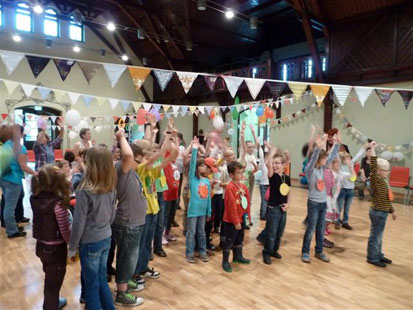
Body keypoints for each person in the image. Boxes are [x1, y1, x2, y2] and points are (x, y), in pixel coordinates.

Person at [68, 146, 117, 310]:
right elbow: (112, 215)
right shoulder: (111, 186)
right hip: (106, 237)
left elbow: (78, 222)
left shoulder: (84, 189)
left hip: (90, 241)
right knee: (101, 280)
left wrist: (72, 247)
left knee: (91, 285)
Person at [111, 130, 147, 306]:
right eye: (137, 160)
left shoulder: (132, 172)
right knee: (127, 257)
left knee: (129, 256)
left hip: (134, 223)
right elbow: (127, 155)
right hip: (128, 224)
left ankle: (124, 280)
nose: (139, 163)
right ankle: (121, 293)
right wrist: (121, 137)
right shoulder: (122, 169)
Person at [31, 164, 71, 310]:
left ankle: (53, 301)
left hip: (41, 246)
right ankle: (51, 305)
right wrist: (72, 245)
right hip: (56, 249)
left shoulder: (34, 198)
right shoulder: (58, 204)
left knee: (50, 277)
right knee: (53, 285)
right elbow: (65, 229)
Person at [301, 133, 340, 264]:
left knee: (320, 228)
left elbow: (332, 157)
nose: (326, 161)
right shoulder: (310, 170)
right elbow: (312, 161)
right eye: (323, 159)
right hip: (313, 204)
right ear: (318, 158)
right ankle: (305, 252)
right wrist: (317, 148)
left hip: (323, 203)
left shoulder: (323, 168)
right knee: (311, 228)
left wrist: (337, 144)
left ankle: (319, 251)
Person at [0, 125, 37, 238]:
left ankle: (12, 225)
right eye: (23, 132)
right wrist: (37, 173)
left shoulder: (6, 145)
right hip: (13, 179)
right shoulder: (21, 148)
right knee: (10, 206)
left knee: (8, 203)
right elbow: (24, 166)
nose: (24, 134)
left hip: (4, 178)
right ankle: (12, 231)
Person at [367, 142, 396, 267]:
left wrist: (392, 210)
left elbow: (387, 198)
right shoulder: (376, 180)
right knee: (375, 235)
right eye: (385, 171)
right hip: (377, 212)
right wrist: (372, 149)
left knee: (379, 235)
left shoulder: (384, 182)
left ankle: (378, 255)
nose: (387, 173)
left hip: (383, 211)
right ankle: (372, 257)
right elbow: (373, 166)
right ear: (378, 171)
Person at [262, 147, 291, 265]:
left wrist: (288, 204)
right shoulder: (272, 176)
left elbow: (289, 191)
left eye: (277, 163)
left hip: (282, 208)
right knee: (271, 233)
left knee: (279, 232)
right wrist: (272, 153)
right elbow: (268, 164)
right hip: (273, 209)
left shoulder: (286, 178)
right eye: (274, 163)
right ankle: (266, 252)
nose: (275, 165)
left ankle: (274, 250)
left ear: (283, 165)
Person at [186, 137, 212, 263]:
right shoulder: (193, 179)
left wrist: (209, 211)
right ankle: (189, 252)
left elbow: (208, 199)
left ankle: (202, 251)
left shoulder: (207, 181)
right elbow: (191, 165)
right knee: (191, 232)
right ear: (197, 168)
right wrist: (194, 149)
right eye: (201, 165)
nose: (204, 168)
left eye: (205, 166)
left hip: (203, 211)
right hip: (193, 211)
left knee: (201, 232)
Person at [221, 161, 251, 272]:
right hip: (231, 221)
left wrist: (247, 217)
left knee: (239, 239)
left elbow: (247, 202)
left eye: (241, 172)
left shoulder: (242, 186)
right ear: (231, 175)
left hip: (241, 218)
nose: (241, 175)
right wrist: (236, 221)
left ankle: (237, 257)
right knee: (229, 241)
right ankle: (225, 261)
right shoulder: (230, 187)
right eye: (238, 173)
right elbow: (231, 206)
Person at [336, 145, 366, 230]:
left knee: (347, 207)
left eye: (349, 158)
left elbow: (358, 156)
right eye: (346, 158)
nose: (349, 160)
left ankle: (345, 222)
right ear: (342, 160)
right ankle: (337, 221)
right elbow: (336, 156)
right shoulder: (340, 166)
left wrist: (363, 148)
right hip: (342, 189)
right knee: (340, 206)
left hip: (350, 190)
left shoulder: (351, 163)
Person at [258, 141, 270, 220]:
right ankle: (263, 215)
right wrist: (260, 146)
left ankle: (264, 213)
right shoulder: (262, 165)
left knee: (268, 200)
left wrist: (268, 146)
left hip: (269, 185)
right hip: (263, 185)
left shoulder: (271, 165)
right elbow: (261, 156)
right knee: (264, 201)